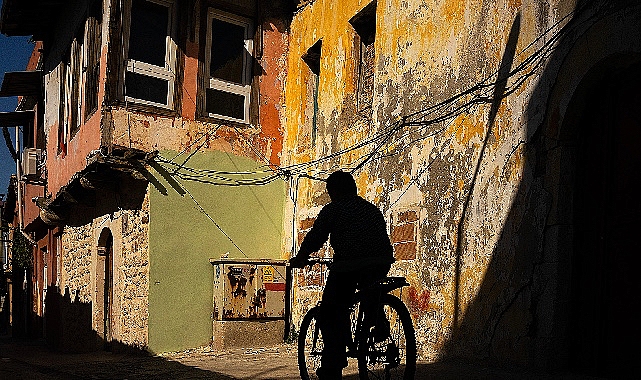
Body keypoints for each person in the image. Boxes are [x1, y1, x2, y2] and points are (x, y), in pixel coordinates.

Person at [290, 170, 395, 379]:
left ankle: (333, 362)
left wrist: (301, 256)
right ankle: (378, 323)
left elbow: (316, 237)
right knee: (369, 288)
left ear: (334, 191)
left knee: (331, 311)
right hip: (381, 263)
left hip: (350, 265)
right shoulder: (371, 209)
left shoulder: (333, 210)